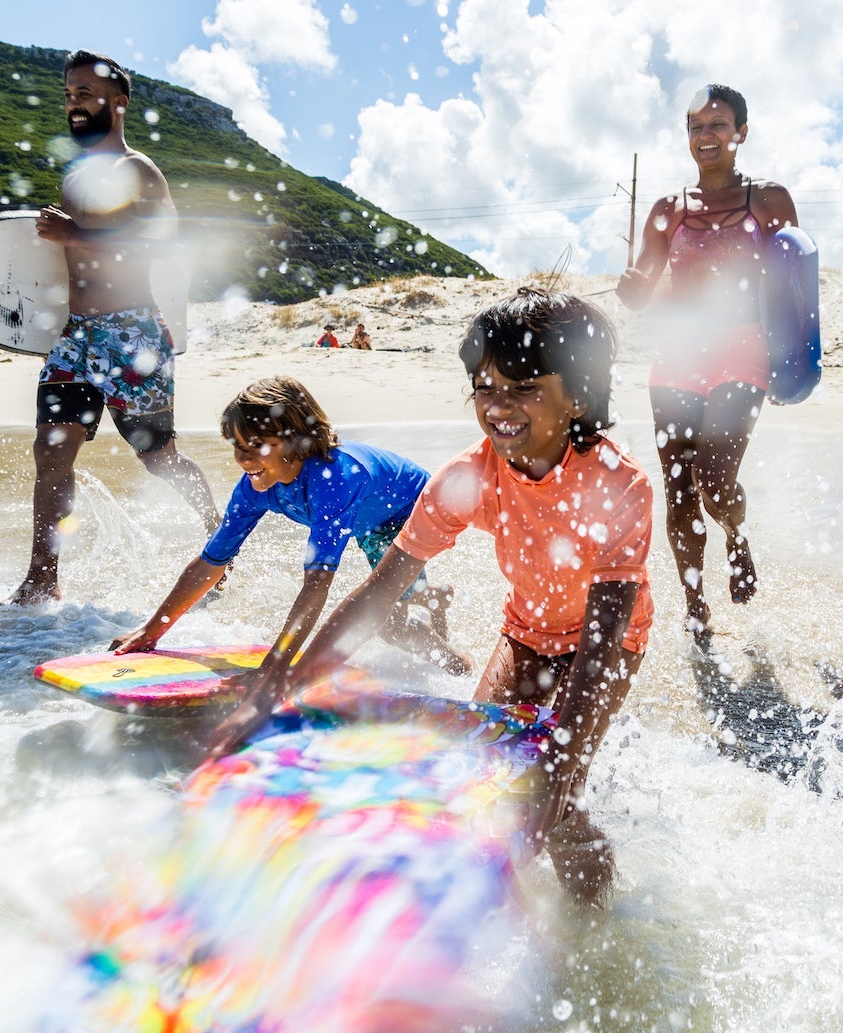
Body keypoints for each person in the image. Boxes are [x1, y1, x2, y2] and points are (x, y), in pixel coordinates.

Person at [210, 290, 654, 905]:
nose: (500, 407)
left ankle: (597, 922)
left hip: (607, 646)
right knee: (484, 778)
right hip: (526, 632)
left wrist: (563, 752)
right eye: (485, 387)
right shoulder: (467, 478)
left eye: (524, 389)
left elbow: (605, 636)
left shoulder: (616, 484)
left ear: (576, 395)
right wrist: (285, 683)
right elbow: (380, 590)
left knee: (555, 785)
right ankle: (496, 919)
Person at [0, 50, 219, 605]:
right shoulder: (77, 177)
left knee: (159, 458)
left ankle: (221, 541)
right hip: (75, 338)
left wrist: (76, 235)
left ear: (118, 103)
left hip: (133, 336)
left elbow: (164, 242)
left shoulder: (138, 170)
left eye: (85, 95)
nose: (74, 104)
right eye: (69, 95)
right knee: (51, 452)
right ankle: (41, 580)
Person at [111, 375, 471, 705]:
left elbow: (317, 584)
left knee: (389, 625)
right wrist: (152, 629)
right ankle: (430, 596)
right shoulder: (254, 487)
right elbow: (210, 563)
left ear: (298, 440)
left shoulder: (332, 481)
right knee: (395, 606)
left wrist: (276, 665)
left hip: (409, 508)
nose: (242, 458)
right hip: (369, 512)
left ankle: (461, 672)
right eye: (236, 445)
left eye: (256, 445)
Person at [615, 83, 798, 654]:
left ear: (741, 132)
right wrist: (633, 290)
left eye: (719, 125)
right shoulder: (669, 210)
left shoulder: (768, 200)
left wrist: (798, 359)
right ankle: (696, 608)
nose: (707, 136)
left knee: (715, 481)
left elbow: (795, 279)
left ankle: (735, 533)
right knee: (678, 491)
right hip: (676, 355)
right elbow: (643, 290)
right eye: (697, 126)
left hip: (743, 350)